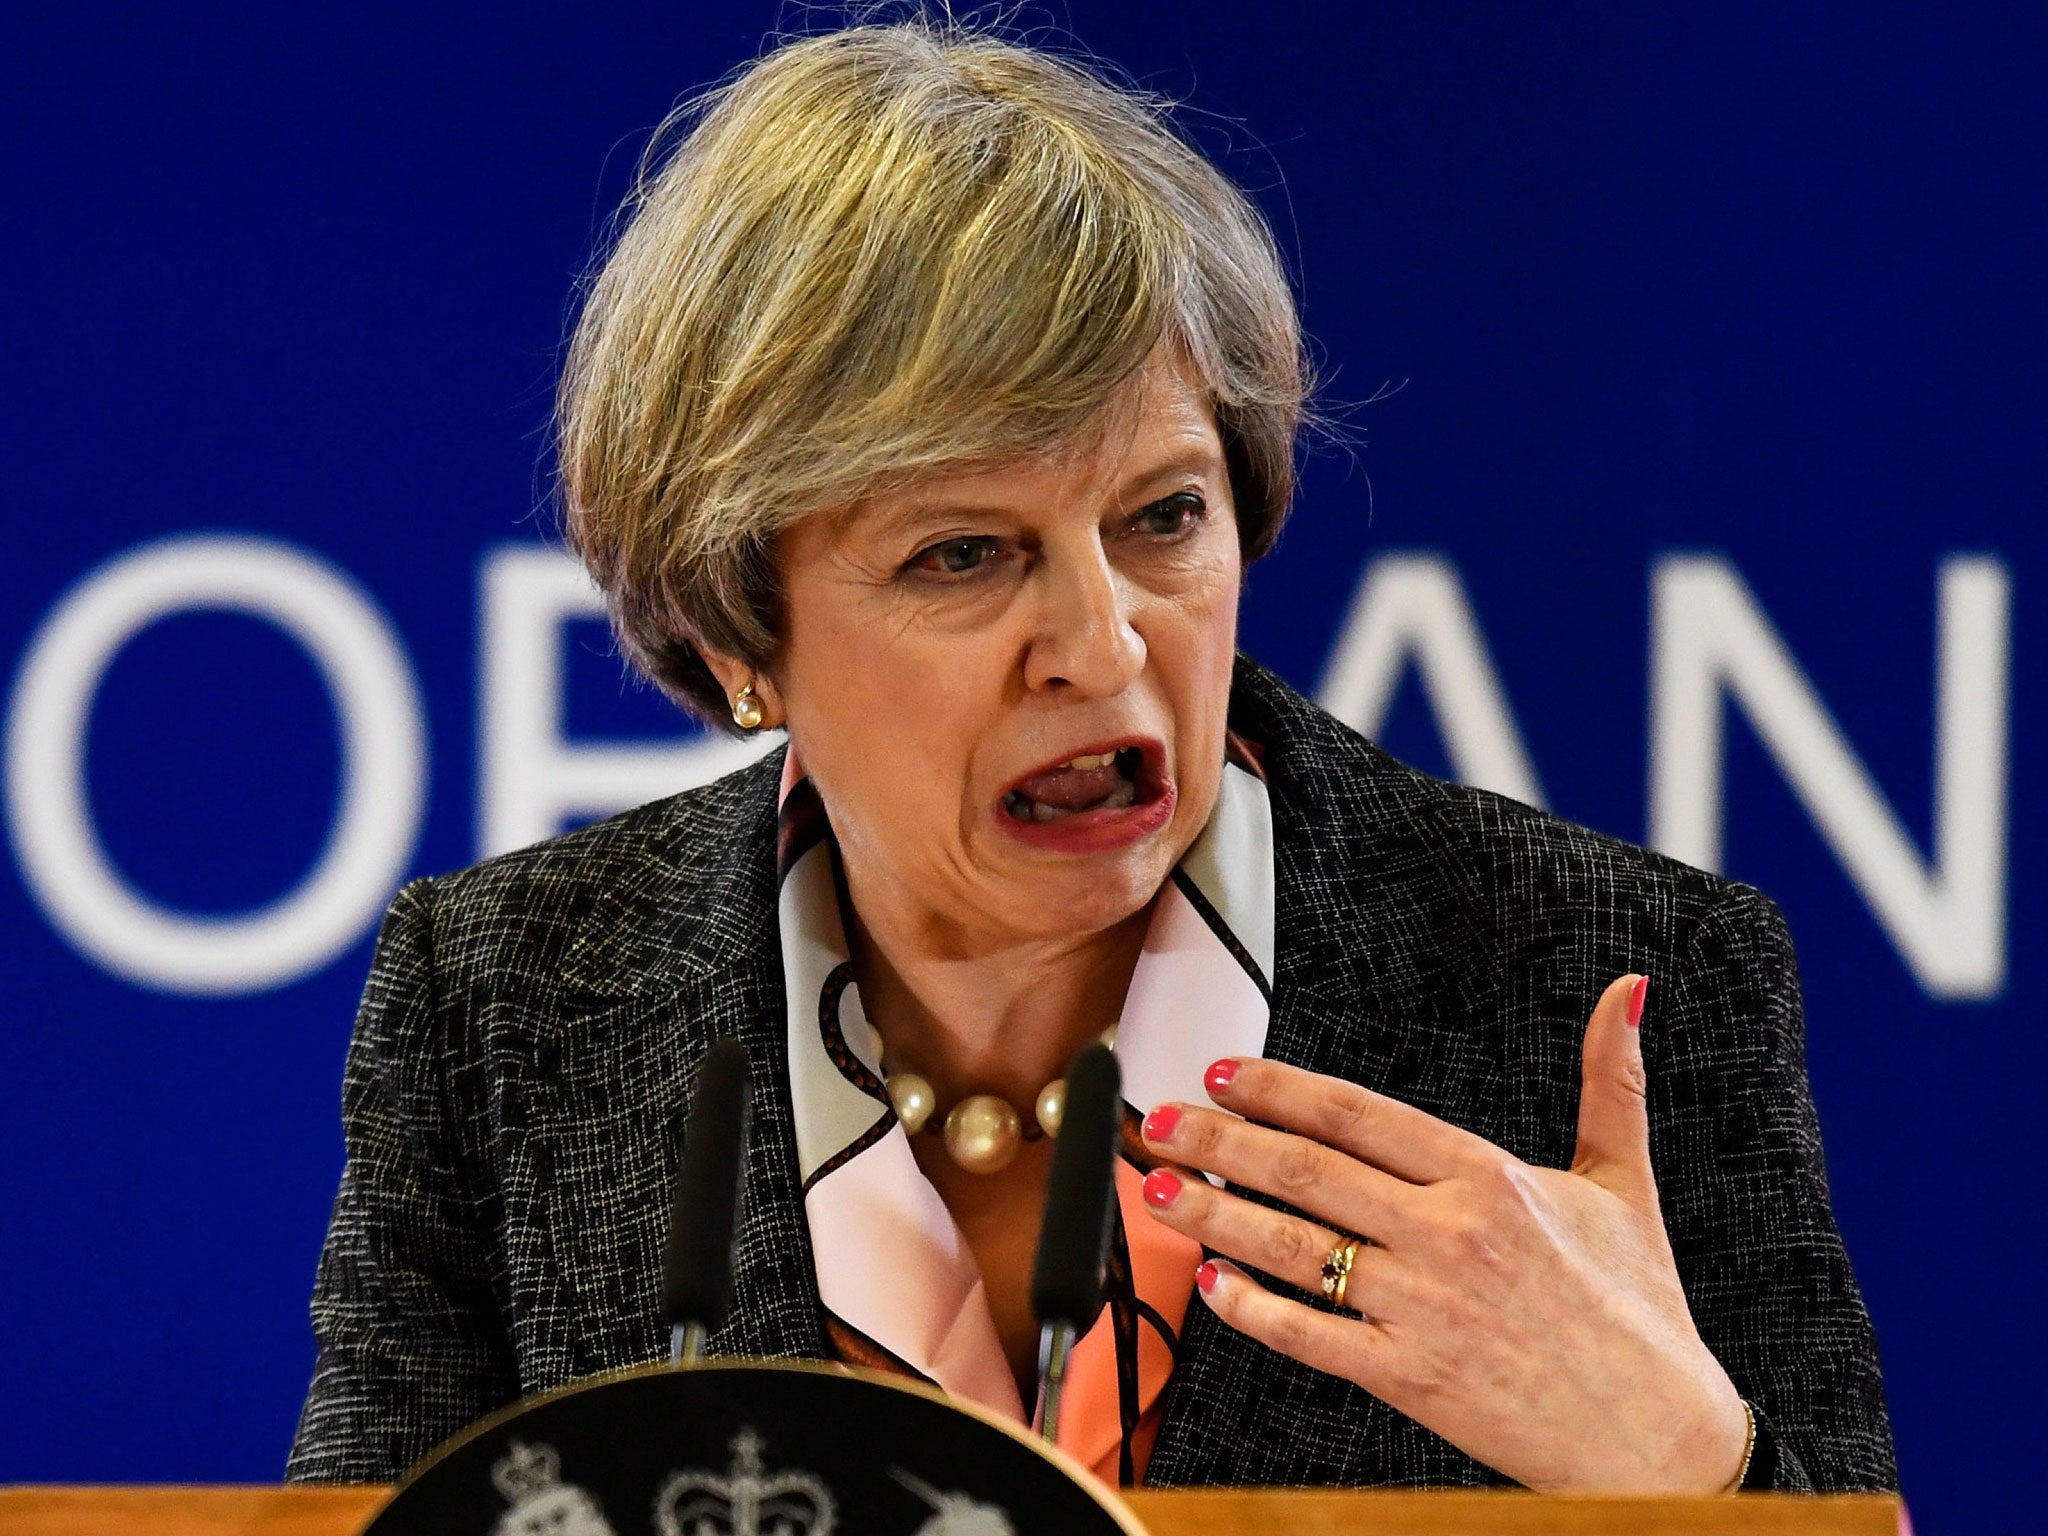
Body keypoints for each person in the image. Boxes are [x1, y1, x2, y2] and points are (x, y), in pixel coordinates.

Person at [287, 20, 1896, 1494]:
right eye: (963, 554)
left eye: (1162, 519)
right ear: (738, 635)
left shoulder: (1601, 987)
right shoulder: (502, 1005)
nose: (1107, 644)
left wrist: (1691, 1472)